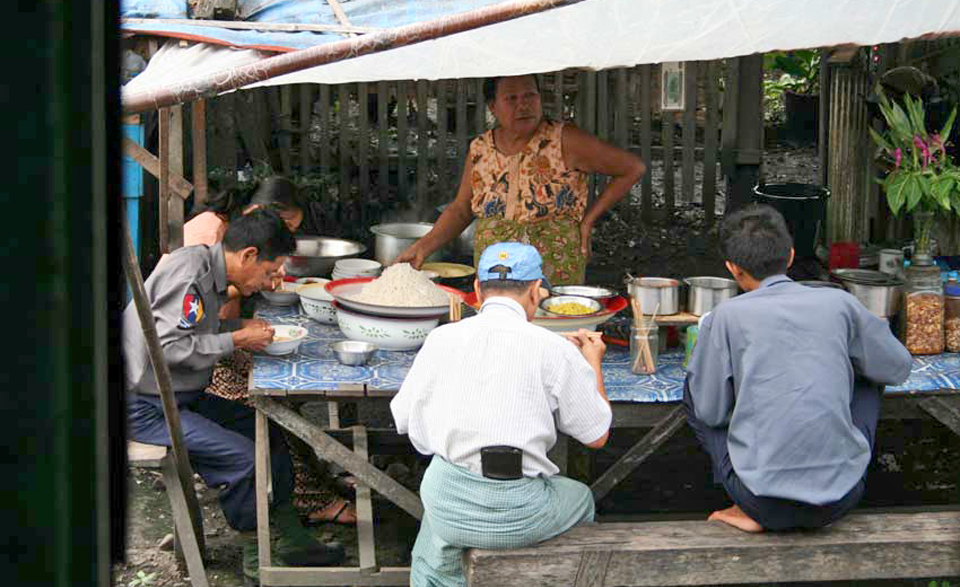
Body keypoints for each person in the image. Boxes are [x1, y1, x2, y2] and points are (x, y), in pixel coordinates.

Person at [123, 210, 345, 580]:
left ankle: (290, 538)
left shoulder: (207, 270)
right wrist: (237, 338)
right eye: (270, 272)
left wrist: (236, 324)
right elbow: (165, 348)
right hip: (144, 405)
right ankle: (255, 560)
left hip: (179, 397)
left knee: (266, 432)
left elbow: (193, 329)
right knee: (243, 458)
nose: (273, 283)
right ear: (248, 255)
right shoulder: (190, 275)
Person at [391, 242, 613, 587]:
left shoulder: (441, 339)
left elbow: (403, 419)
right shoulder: (553, 347)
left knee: (436, 531)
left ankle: (439, 579)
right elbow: (597, 434)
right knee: (580, 498)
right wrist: (592, 362)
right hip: (520, 510)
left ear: (477, 290)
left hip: (449, 499)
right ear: (537, 291)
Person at [684, 204, 912, 533]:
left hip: (758, 501)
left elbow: (711, 413)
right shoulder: (840, 303)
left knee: (695, 390)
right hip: (842, 498)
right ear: (790, 256)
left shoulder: (724, 318)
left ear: (732, 268)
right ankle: (835, 462)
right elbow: (897, 368)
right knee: (869, 374)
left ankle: (740, 505)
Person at [185, 175, 359, 527]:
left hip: (215, 343)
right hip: (193, 365)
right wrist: (249, 293)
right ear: (259, 214)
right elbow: (194, 322)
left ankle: (312, 483)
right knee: (263, 401)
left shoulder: (234, 233)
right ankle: (311, 500)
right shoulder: (206, 233)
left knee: (283, 387)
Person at [395, 75, 646, 285]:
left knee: (550, 333)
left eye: (530, 96)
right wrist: (422, 248)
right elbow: (461, 209)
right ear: (493, 106)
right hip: (495, 271)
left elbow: (632, 168)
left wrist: (588, 221)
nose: (523, 105)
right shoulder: (480, 148)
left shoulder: (565, 140)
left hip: (552, 267)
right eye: (511, 99)